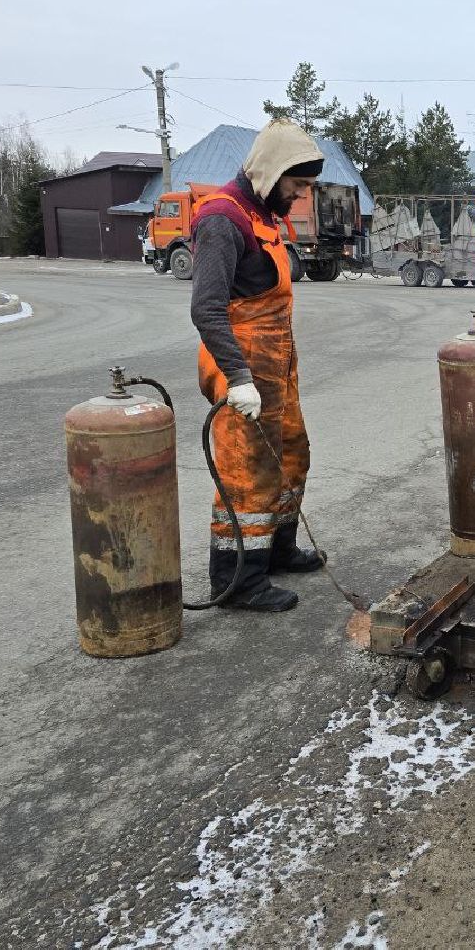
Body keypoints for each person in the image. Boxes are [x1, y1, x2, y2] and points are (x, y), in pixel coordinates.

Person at [189, 119, 328, 612]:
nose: (301, 195)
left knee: (291, 454)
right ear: (272, 173)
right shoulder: (222, 220)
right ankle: (238, 582)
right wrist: (239, 378)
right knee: (247, 472)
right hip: (242, 370)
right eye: (298, 184)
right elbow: (206, 309)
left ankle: (278, 551)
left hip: (276, 366)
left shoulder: (263, 213)